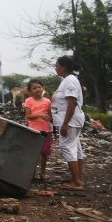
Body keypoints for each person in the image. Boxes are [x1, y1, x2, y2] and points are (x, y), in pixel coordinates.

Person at [52, 56, 86, 190]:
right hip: (70, 120)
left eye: (57, 65)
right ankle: (77, 178)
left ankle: (76, 182)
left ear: (63, 67)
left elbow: (72, 102)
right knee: (76, 149)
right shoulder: (66, 80)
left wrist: (65, 123)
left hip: (70, 121)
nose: (55, 68)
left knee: (66, 147)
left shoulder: (70, 80)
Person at [23, 79, 53, 182]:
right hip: (33, 131)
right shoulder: (28, 101)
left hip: (47, 130)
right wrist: (39, 115)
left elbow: (50, 115)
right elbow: (28, 116)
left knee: (44, 153)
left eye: (39, 87)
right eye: (34, 88)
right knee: (33, 153)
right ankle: (31, 173)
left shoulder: (47, 101)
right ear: (30, 91)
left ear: (43, 88)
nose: (37, 89)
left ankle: (43, 173)